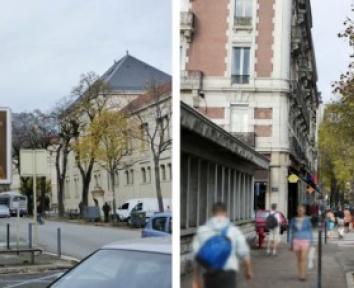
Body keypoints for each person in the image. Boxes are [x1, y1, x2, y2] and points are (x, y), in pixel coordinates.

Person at [192, 202, 252, 288]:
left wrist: (196, 279)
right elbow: (244, 252)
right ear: (226, 213)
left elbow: (196, 256)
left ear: (212, 213)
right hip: (228, 274)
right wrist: (248, 270)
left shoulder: (202, 230)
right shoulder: (233, 230)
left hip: (209, 274)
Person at [288, 204, 313, 281]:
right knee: (299, 259)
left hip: (305, 240)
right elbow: (290, 231)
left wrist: (311, 242)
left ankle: (303, 275)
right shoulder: (293, 220)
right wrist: (290, 242)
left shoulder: (307, 220)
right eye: (299, 210)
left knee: (303, 258)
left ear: (304, 211)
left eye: (302, 210)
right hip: (296, 240)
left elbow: (310, 231)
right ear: (297, 211)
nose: (300, 211)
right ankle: (300, 274)